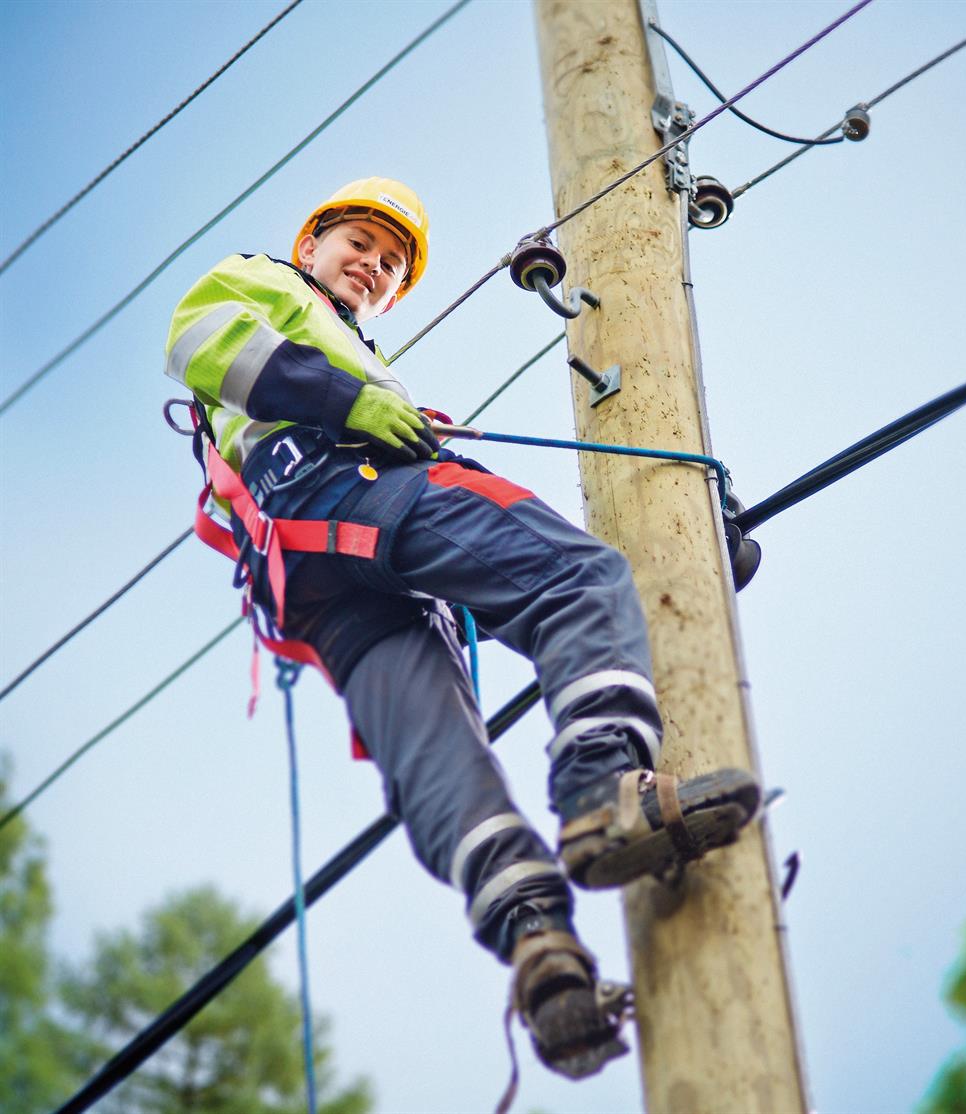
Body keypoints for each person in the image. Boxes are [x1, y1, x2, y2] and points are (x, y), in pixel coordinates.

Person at [165, 177, 760, 1080]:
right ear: (310, 244)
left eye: (392, 263)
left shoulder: (353, 345)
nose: (373, 264)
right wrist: (349, 401)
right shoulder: (265, 281)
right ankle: (603, 791)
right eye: (358, 242)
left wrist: (362, 396)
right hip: (342, 485)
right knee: (576, 577)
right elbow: (195, 339)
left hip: (315, 580)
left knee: (436, 753)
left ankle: (539, 951)